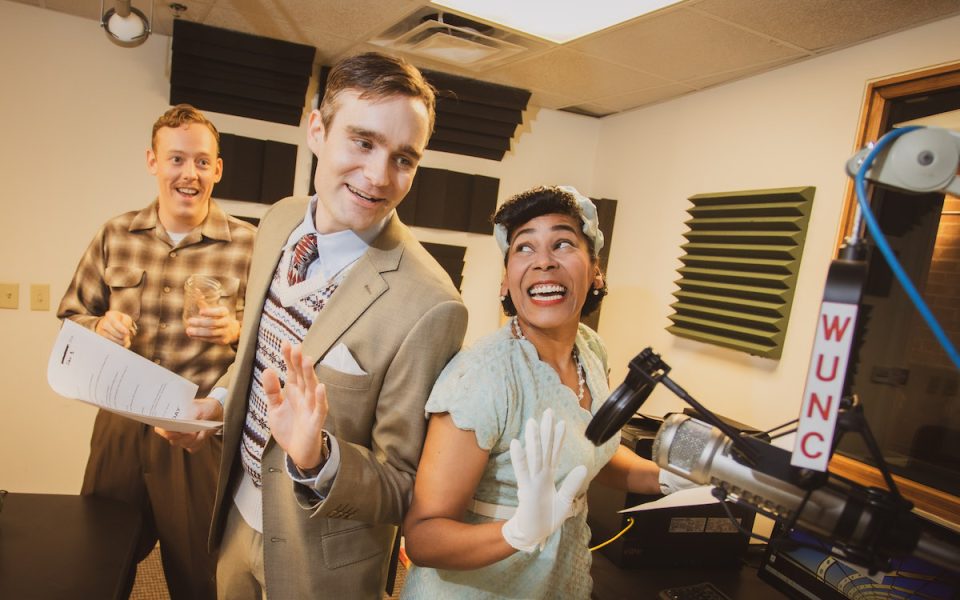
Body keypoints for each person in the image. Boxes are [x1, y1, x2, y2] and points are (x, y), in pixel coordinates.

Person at [158, 51, 469, 599]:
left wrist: (319, 459)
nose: (379, 176)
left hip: (323, 561)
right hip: (234, 516)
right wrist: (219, 404)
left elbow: (403, 485)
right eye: (363, 142)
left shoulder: (433, 304)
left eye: (403, 158)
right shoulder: (278, 218)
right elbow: (258, 355)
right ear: (317, 130)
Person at [400, 185, 691, 599]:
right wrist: (517, 532)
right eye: (524, 248)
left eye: (562, 243)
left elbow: (590, 452)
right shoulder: (482, 378)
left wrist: (667, 480)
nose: (543, 261)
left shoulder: (591, 350)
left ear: (595, 271)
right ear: (506, 282)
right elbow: (424, 539)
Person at [57, 104, 255, 599]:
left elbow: (269, 345)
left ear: (218, 169)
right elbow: (72, 316)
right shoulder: (115, 234)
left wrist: (235, 331)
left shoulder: (250, 245)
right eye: (176, 159)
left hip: (195, 431)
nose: (190, 173)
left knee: (200, 576)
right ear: (153, 162)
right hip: (119, 426)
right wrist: (99, 326)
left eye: (202, 162)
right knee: (97, 560)